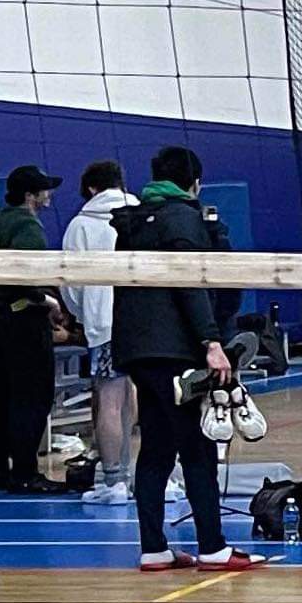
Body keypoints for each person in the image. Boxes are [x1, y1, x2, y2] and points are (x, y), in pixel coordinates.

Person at [109, 147, 265, 572]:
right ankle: (212, 547)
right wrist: (211, 341)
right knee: (197, 446)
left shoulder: (132, 221)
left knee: (157, 448)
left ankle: (154, 548)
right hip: (175, 351)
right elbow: (189, 285)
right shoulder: (182, 218)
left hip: (137, 350)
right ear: (195, 183)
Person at [0, 165, 63, 493]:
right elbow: (27, 276)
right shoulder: (27, 227)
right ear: (31, 196)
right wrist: (47, 301)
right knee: (32, 396)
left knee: (0, 396)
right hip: (25, 319)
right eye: (44, 189)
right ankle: (25, 471)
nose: (49, 194)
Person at [62, 160, 136, 504]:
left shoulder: (81, 224)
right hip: (144, 323)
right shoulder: (142, 212)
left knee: (109, 400)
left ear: (91, 188)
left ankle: (113, 480)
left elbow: (70, 282)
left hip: (105, 324)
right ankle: (147, 475)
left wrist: (84, 315)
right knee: (138, 396)